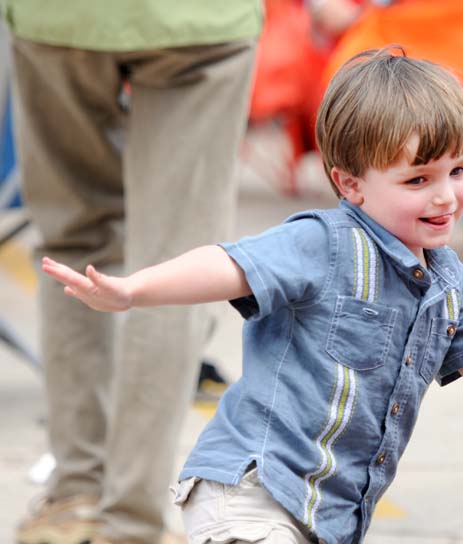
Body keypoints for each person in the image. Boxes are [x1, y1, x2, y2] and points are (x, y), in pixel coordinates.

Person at [41, 48, 463, 544]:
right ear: (351, 184)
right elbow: (230, 264)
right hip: (253, 492)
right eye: (418, 180)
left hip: (326, 517)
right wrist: (134, 291)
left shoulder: (445, 280)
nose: (446, 196)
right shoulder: (325, 242)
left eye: (458, 170)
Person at [3, 1, 262, 543]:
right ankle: (132, 521)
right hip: (198, 21)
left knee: (72, 238)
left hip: (60, 17)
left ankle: (77, 494)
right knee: (177, 263)